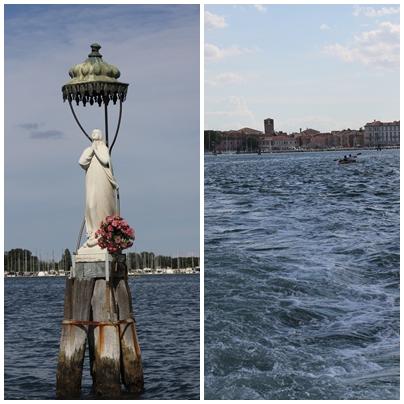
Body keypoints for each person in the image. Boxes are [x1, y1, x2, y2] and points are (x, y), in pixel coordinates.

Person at [78, 129, 119, 253]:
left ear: (101, 137)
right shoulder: (88, 150)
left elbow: (106, 161)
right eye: (93, 134)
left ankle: (103, 234)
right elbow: (81, 162)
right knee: (91, 205)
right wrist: (91, 151)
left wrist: (97, 150)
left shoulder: (103, 148)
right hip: (91, 182)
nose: (94, 135)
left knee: (102, 205)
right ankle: (93, 234)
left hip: (102, 181)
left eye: (97, 133)